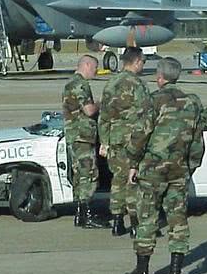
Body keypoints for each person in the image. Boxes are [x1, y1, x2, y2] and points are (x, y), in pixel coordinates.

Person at [121, 58, 204, 274]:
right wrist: (191, 167)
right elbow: (197, 141)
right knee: (178, 219)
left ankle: (142, 271)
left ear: (160, 77)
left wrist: (132, 163)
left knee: (147, 218)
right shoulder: (192, 103)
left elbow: (140, 136)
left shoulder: (152, 101)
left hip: (152, 172)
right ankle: (176, 273)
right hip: (178, 170)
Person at [98, 47, 154, 237]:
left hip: (114, 139)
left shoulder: (111, 84)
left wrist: (104, 142)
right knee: (133, 181)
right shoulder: (138, 85)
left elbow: (104, 116)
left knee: (118, 180)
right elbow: (147, 115)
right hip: (132, 140)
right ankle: (135, 223)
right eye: (143, 62)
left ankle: (116, 220)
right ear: (137, 61)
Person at [61, 55, 107, 229]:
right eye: (94, 68)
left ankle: (80, 213)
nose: (96, 71)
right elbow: (88, 111)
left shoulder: (70, 83)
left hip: (76, 135)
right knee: (88, 174)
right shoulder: (80, 84)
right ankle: (87, 214)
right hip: (82, 136)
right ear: (86, 65)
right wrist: (101, 104)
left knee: (80, 175)